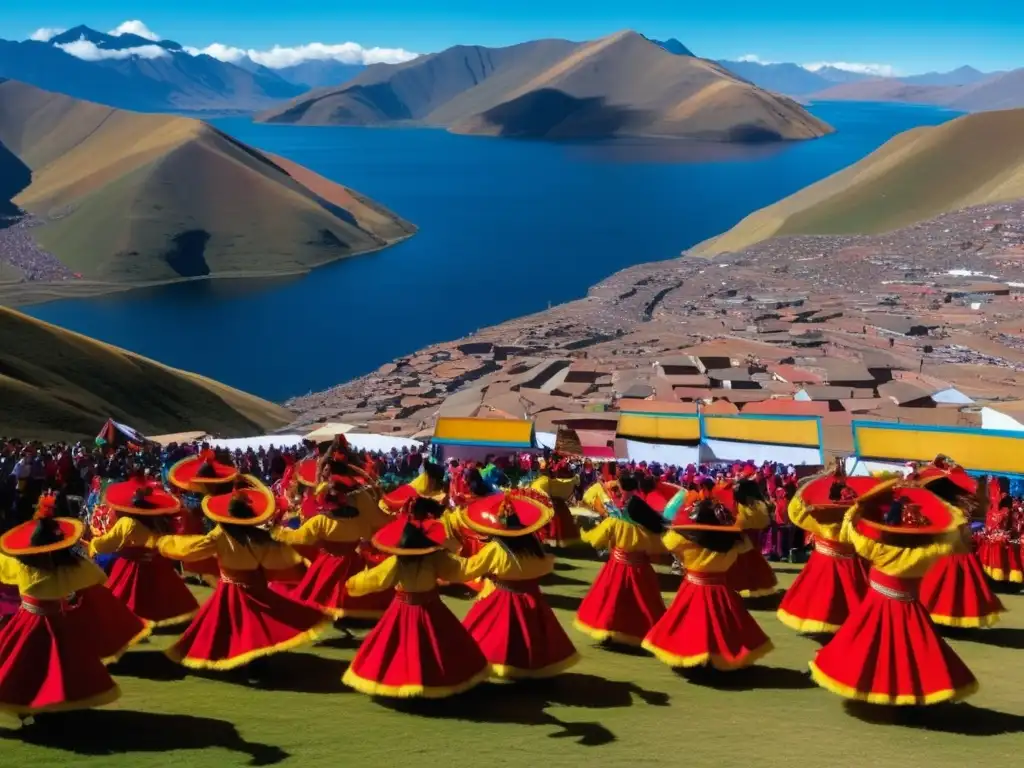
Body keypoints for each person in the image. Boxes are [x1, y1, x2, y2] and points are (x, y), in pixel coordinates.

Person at [809, 480, 978, 705]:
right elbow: (952, 535)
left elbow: (851, 532)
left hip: (876, 607)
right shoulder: (929, 553)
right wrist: (940, 510)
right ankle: (910, 694)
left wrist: (855, 509)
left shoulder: (877, 549)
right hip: (910, 609)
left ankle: (873, 689)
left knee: (864, 648)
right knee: (915, 653)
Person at [156, 476, 332, 671]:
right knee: (257, 625)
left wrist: (165, 543)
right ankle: (256, 662)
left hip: (230, 589)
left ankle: (242, 662)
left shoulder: (220, 534)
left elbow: (193, 548)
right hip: (256, 586)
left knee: (222, 626)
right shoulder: (260, 537)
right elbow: (280, 559)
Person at [341, 511, 489, 698]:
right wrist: (487, 560)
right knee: (439, 647)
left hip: (405, 608)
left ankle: (409, 683)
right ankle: (433, 682)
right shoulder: (436, 558)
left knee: (399, 648)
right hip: (430, 607)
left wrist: (351, 584)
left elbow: (374, 579)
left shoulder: (398, 562)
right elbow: (461, 569)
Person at [0, 510, 121, 718]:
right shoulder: (70, 568)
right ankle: (54, 706)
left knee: (21, 665)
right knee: (59, 665)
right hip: (58, 622)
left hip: (28, 621)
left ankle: (31, 707)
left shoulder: (21, 566)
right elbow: (99, 576)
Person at [643, 492, 773, 671]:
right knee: (724, 627)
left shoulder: (682, 538)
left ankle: (695, 657)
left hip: (693, 587)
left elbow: (667, 543)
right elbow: (746, 547)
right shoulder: (735, 541)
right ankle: (718, 658)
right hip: (721, 589)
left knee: (690, 624)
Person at [458, 488, 579, 678]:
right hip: (532, 597)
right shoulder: (533, 546)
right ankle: (530, 667)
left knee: (497, 634)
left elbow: (470, 568)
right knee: (532, 635)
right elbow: (545, 567)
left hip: (503, 597)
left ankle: (503, 665)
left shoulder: (497, 548)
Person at [271, 475, 393, 620]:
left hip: (328, 563)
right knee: (350, 593)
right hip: (353, 562)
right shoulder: (359, 520)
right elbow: (367, 537)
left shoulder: (321, 521)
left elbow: (299, 538)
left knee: (320, 594)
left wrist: (277, 531)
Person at [776, 466, 881, 634]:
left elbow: (795, 512)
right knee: (848, 597)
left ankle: (822, 625)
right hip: (847, 561)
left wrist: (820, 481)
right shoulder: (856, 517)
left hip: (824, 559)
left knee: (820, 594)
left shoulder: (819, 516)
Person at [87, 475, 200, 628]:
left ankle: (133, 623)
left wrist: (93, 544)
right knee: (159, 596)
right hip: (158, 563)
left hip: (133, 566)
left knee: (128, 597)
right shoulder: (159, 520)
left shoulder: (127, 522)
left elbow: (107, 544)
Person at [575, 479, 668, 647]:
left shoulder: (616, 522)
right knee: (643, 604)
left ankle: (609, 631)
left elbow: (596, 540)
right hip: (641, 570)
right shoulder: (650, 529)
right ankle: (646, 634)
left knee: (612, 601)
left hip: (617, 567)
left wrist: (584, 531)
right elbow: (658, 550)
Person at [915, 459, 1004, 628]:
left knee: (944, 592)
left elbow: (959, 534)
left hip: (948, 555)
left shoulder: (948, 510)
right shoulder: (949, 509)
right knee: (953, 593)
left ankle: (943, 622)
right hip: (954, 555)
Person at [531, 460, 581, 548]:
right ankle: (553, 541)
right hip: (552, 504)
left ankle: (553, 542)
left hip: (553, 505)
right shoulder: (544, 480)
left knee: (556, 523)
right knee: (556, 523)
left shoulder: (544, 480)